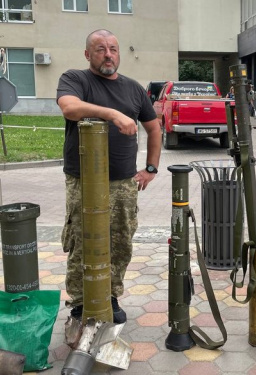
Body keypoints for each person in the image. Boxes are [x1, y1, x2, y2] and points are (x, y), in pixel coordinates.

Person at [56, 29, 161, 324]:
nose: (108, 55)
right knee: (82, 240)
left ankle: (110, 295)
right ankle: (80, 302)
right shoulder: (75, 79)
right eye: (100, 49)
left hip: (123, 182)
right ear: (88, 54)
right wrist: (112, 114)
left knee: (120, 241)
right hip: (83, 182)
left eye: (113, 49)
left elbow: (154, 128)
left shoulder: (133, 88)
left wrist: (150, 168)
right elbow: (69, 108)